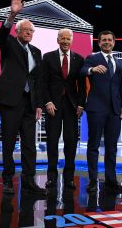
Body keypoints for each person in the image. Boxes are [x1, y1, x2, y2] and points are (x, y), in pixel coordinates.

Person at [0, 0, 46, 196]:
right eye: (25, 30)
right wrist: (12, 15)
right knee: (8, 141)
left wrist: (39, 103)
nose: (29, 33)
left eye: (31, 31)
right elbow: (1, 36)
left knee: (30, 145)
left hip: (30, 103)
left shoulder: (36, 52)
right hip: (10, 100)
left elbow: (37, 80)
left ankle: (29, 181)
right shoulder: (10, 44)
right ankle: (7, 180)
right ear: (17, 31)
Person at [80, 30, 122, 194]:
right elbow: (81, 72)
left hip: (115, 110)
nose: (107, 42)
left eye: (109, 40)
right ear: (99, 43)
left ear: (114, 42)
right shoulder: (92, 58)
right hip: (96, 108)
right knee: (93, 146)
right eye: (103, 40)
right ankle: (93, 181)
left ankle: (111, 180)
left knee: (112, 147)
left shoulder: (120, 63)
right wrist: (92, 70)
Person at [42, 28, 85, 190]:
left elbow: (81, 86)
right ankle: (51, 177)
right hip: (53, 105)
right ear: (58, 40)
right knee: (52, 142)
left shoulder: (79, 59)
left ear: (72, 41)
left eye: (68, 39)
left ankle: (69, 178)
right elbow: (43, 83)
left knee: (71, 142)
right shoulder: (48, 57)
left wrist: (81, 104)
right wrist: (47, 102)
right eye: (63, 39)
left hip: (72, 106)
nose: (66, 41)